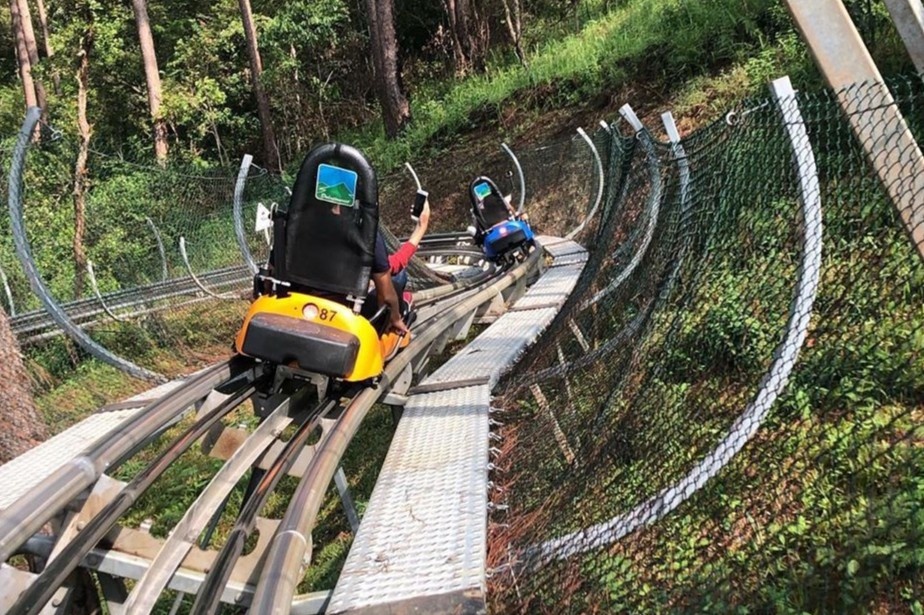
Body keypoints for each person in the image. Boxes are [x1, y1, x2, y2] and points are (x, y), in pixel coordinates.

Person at [368, 197, 431, 334]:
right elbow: (386, 295)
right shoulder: (367, 233)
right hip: (353, 311)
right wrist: (421, 227)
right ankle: (403, 307)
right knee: (397, 280)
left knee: (395, 274)